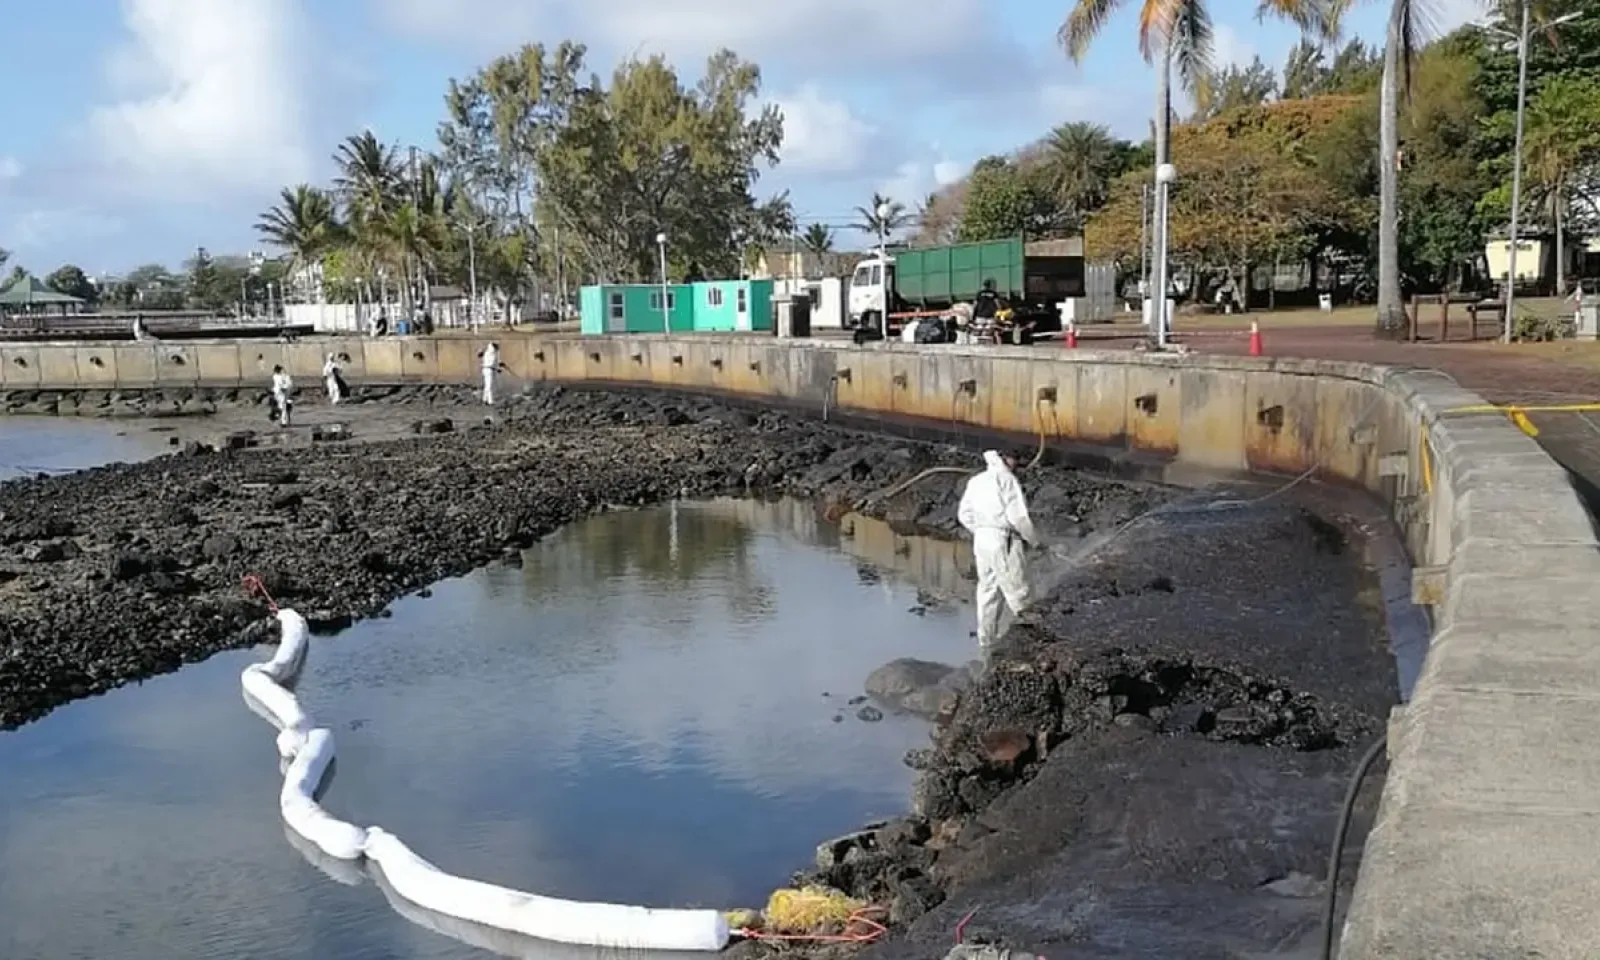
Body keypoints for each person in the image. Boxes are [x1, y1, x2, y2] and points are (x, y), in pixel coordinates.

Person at [957, 450, 1039, 650]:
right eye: (1016, 461)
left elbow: (964, 514)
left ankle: (986, 641)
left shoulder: (977, 480)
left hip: (981, 539)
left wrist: (981, 530)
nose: (1017, 465)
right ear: (1007, 459)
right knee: (1017, 589)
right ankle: (1034, 639)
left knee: (988, 590)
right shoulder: (1006, 479)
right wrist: (1034, 541)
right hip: (1003, 538)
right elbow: (1018, 517)